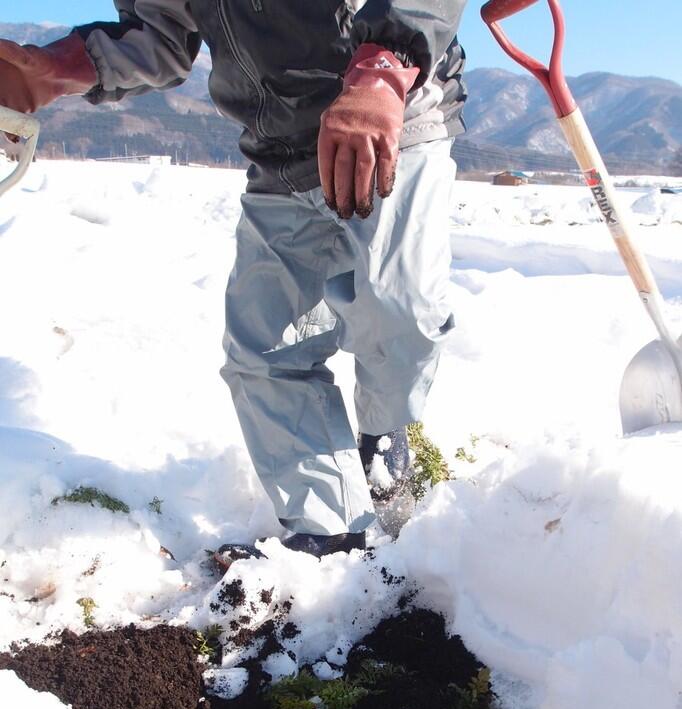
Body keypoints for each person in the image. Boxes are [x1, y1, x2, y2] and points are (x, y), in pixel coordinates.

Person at [0, 1, 468, 558]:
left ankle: (385, 432)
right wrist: (58, 66)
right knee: (263, 352)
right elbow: (160, 33)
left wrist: (382, 72)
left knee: (397, 308)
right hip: (280, 151)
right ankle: (329, 531)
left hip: (391, 117)